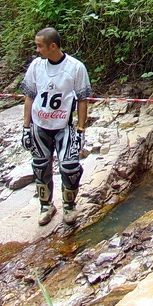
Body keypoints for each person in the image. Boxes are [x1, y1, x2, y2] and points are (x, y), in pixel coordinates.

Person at [20, 27, 92, 226]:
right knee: (40, 167)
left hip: (64, 126)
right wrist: (26, 127)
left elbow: (82, 99)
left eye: (39, 46)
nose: (37, 50)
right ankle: (46, 206)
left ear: (52, 46)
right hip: (39, 125)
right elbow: (29, 96)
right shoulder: (36, 66)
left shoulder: (75, 67)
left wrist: (81, 130)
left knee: (70, 167)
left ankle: (69, 206)